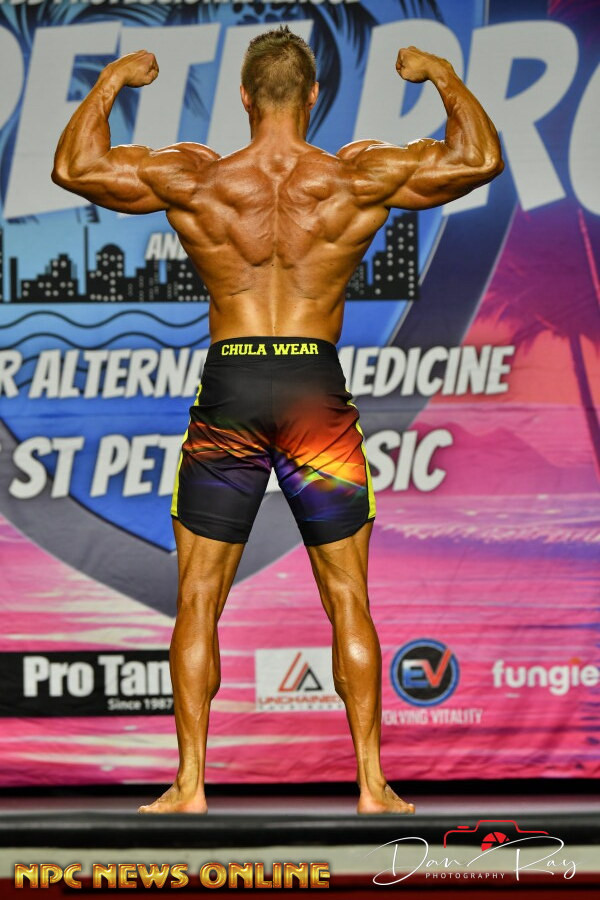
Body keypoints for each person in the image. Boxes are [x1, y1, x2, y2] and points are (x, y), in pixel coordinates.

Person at [52, 26, 503, 815]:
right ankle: (372, 785)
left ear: (244, 96)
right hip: (311, 388)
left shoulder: (199, 177)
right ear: (314, 96)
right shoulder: (355, 176)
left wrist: (116, 78)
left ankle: (190, 785)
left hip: (231, 385)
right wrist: (439, 74)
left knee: (198, 595)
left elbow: (74, 167)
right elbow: (479, 158)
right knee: (348, 595)